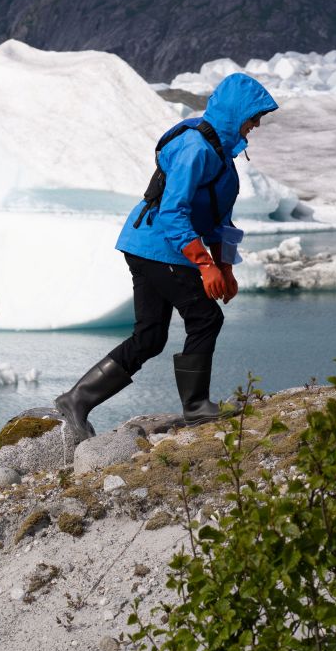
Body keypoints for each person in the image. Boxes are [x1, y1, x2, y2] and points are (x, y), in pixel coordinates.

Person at [55, 73, 278, 443]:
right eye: (253, 117)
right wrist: (204, 265)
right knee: (205, 317)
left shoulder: (221, 151)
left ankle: (75, 400)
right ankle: (196, 408)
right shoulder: (197, 149)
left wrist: (224, 265)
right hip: (160, 246)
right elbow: (174, 213)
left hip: (148, 245)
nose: (256, 125)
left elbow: (219, 217)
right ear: (236, 112)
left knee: (150, 337)